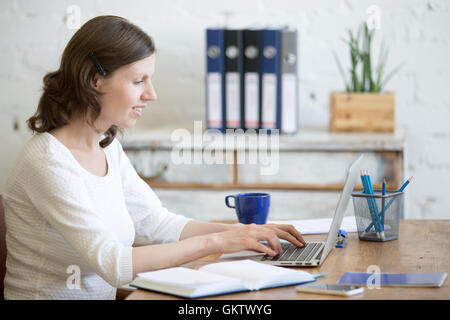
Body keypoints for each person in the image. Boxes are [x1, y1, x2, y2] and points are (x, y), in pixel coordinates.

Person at [2, 15, 305, 300]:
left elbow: (157, 224)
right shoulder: (46, 161)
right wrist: (218, 242)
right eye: (138, 81)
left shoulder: (106, 147)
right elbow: (114, 263)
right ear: (96, 80)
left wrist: (244, 232)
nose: (151, 94)